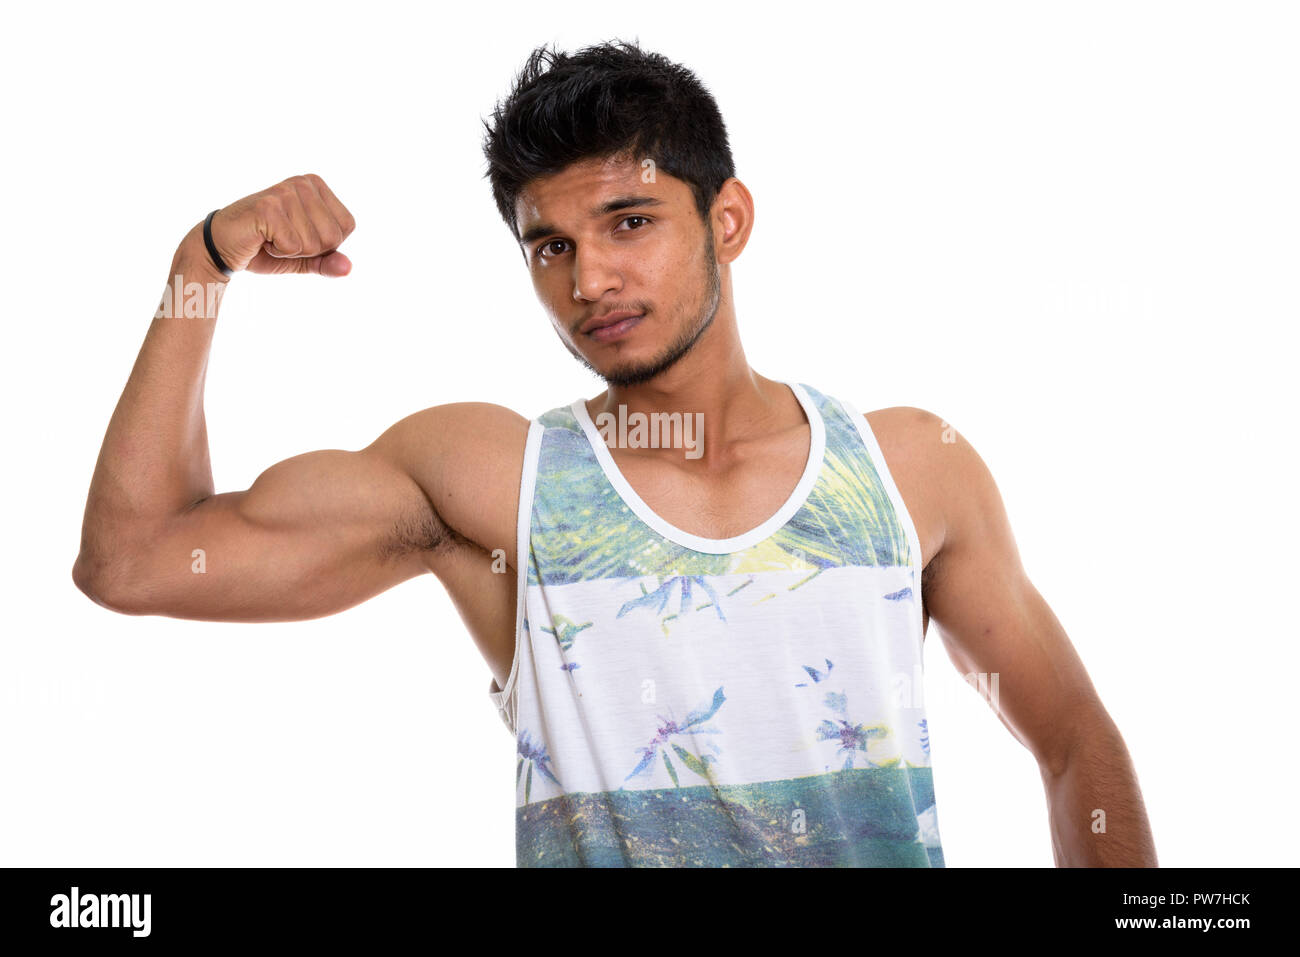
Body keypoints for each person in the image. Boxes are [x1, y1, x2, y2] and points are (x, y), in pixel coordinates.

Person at [72, 40, 1156, 868]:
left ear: (726, 219)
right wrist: (201, 262)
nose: (587, 281)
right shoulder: (491, 483)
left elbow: (1072, 745)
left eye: (629, 223)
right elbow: (136, 560)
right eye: (552, 245)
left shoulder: (910, 469)